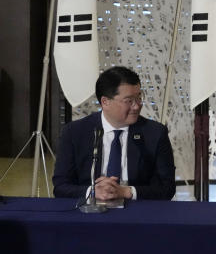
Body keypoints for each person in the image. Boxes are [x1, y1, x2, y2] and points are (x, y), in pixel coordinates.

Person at [53, 66, 176, 201]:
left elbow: (167, 188)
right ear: (105, 102)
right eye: (129, 100)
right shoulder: (75, 132)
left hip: (138, 212)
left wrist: (127, 192)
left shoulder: (155, 133)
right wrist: (93, 191)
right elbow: (60, 187)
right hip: (89, 212)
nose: (137, 106)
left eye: (139, 97)